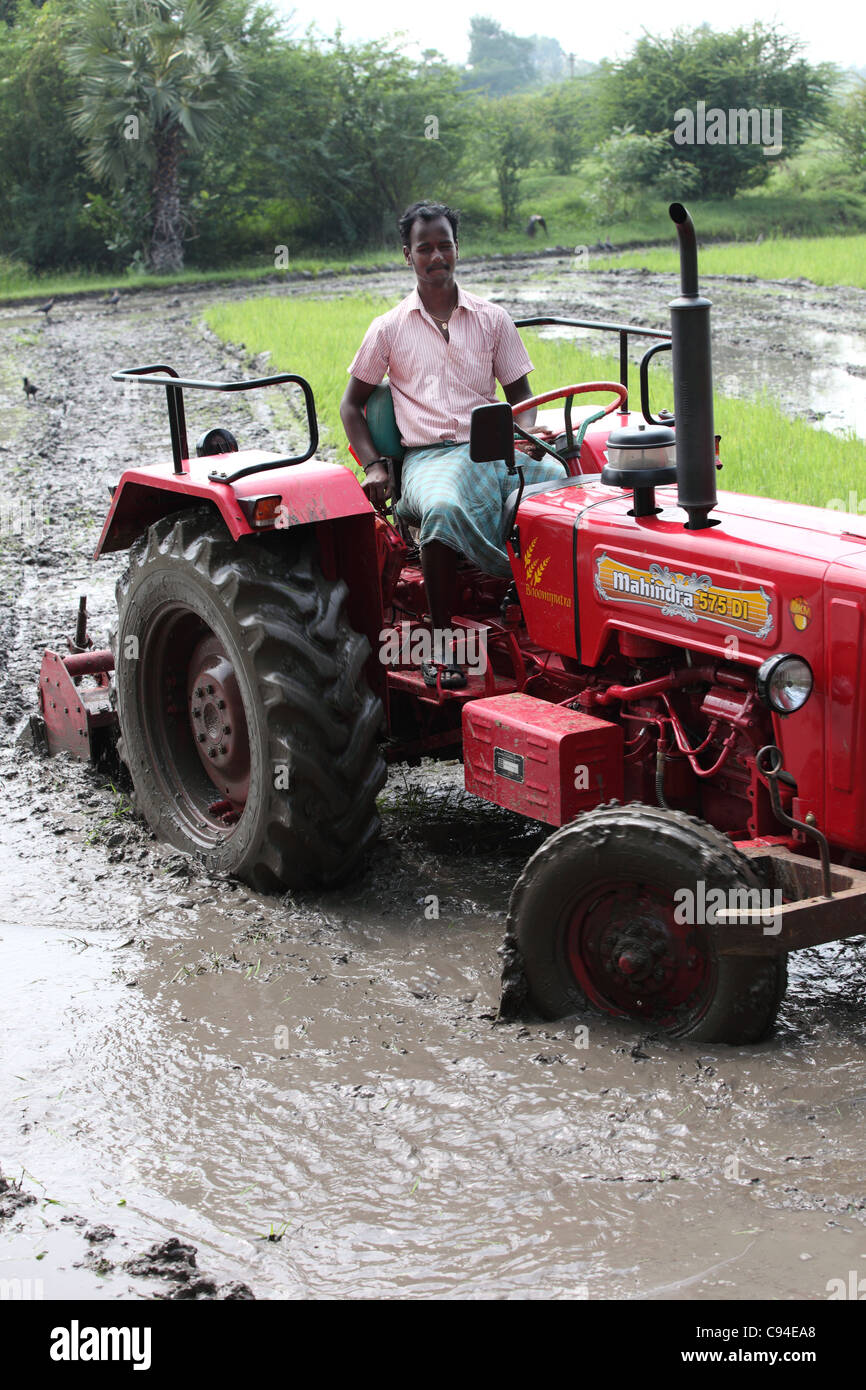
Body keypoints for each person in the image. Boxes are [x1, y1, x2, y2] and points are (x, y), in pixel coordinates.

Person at [340, 200, 563, 688]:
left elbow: (522, 397)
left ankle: (545, 614)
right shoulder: (389, 327)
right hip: (428, 456)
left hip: (492, 448)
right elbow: (351, 406)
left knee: (563, 487)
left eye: (445, 245)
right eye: (425, 248)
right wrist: (377, 466)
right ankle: (439, 645)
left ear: (457, 248)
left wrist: (523, 435)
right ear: (408, 255)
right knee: (441, 506)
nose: (436, 255)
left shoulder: (491, 318)